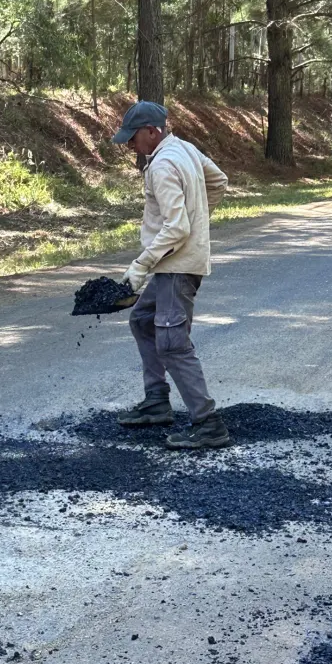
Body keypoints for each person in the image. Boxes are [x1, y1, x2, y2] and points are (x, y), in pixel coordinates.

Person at [112, 100, 230, 450]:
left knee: (172, 343)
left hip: (176, 267)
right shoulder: (186, 149)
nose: (129, 145)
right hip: (175, 263)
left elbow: (176, 228)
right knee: (143, 319)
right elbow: (219, 181)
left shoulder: (162, 165)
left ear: (152, 131)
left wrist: (139, 266)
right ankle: (156, 401)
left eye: (133, 138)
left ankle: (208, 423)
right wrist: (199, 218)